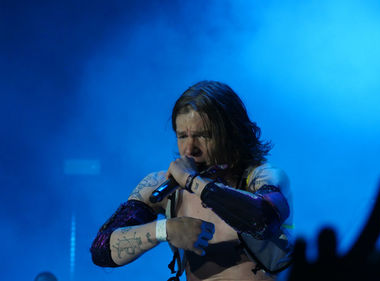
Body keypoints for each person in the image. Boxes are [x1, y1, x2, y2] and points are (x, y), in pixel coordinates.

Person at [90, 81, 294, 280]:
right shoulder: (162, 187)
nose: (189, 149)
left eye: (203, 136)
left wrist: (191, 180)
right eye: (182, 136)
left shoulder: (262, 177)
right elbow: (101, 249)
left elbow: (263, 220)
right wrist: (165, 229)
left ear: (232, 133)